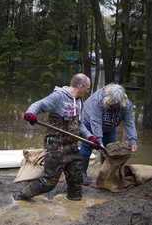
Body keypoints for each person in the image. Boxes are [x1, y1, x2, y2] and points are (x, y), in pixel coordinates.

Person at [13, 73, 100, 201]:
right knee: (49, 182)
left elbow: (79, 124)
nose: (87, 91)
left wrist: (90, 137)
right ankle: (20, 196)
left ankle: (73, 204)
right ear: (81, 87)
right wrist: (30, 114)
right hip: (55, 146)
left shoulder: (80, 102)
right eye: (87, 89)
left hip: (72, 146)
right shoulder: (58, 97)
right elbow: (39, 105)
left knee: (76, 179)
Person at [80, 83, 138, 186]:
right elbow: (96, 122)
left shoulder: (126, 105)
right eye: (113, 104)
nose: (115, 106)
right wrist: (98, 141)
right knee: (87, 146)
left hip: (110, 127)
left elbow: (129, 122)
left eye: (117, 104)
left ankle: (107, 174)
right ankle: (82, 172)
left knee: (111, 149)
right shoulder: (97, 101)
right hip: (89, 123)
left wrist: (133, 140)